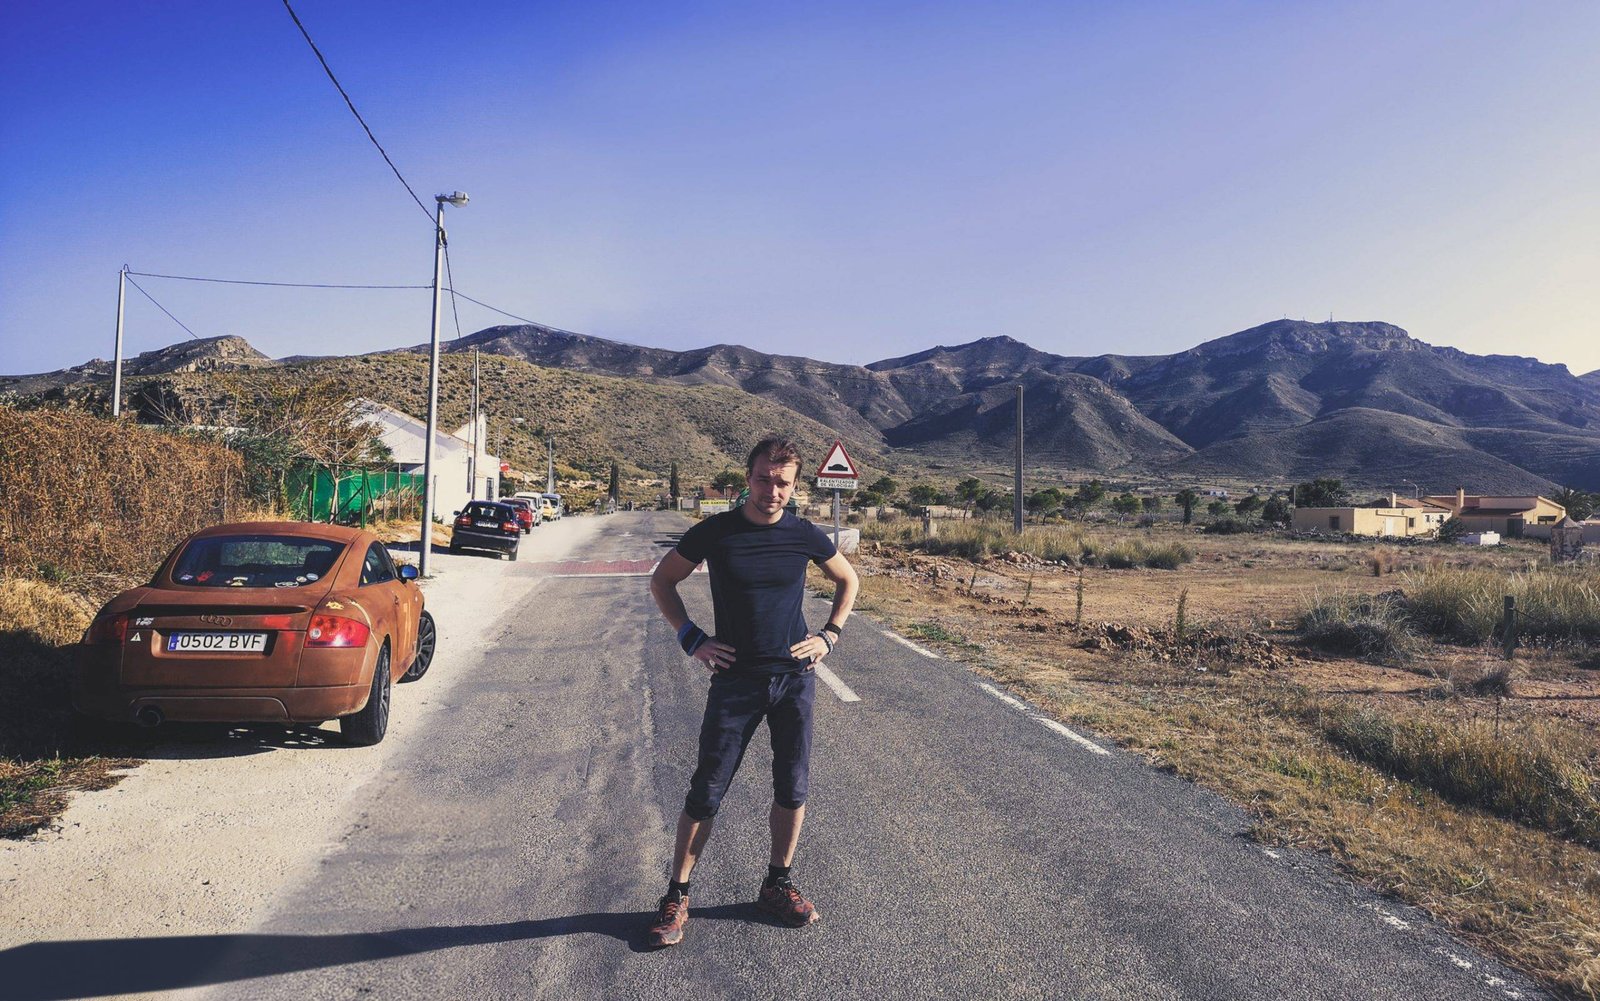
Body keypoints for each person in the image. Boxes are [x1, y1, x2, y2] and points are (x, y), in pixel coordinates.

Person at [645, 437, 860, 948]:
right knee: (707, 789)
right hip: (736, 682)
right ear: (748, 478)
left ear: (795, 484)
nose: (772, 490)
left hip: (794, 681)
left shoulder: (804, 534)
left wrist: (830, 635)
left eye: (783, 482)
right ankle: (676, 896)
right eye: (764, 478)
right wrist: (692, 638)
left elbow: (847, 580)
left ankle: (777, 884)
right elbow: (662, 582)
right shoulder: (716, 532)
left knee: (793, 786)